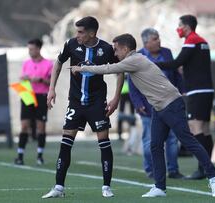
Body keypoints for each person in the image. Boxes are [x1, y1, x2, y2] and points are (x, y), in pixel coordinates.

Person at [71, 33, 215, 197]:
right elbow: (115, 69)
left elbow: (109, 69)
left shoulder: (134, 59)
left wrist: (82, 68)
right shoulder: (132, 61)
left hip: (171, 104)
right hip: (158, 108)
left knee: (187, 140)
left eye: (116, 50)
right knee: (155, 145)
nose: (114, 54)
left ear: (125, 48)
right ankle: (159, 187)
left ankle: (214, 177)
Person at [41, 16, 124, 198]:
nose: (76, 35)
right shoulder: (71, 44)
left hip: (97, 103)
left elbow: (120, 71)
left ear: (92, 33)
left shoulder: (105, 49)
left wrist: (116, 97)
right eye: (76, 31)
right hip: (76, 103)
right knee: (65, 144)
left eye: (80, 32)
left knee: (104, 142)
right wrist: (51, 89)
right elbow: (58, 63)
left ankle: (106, 187)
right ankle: (58, 188)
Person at [156, 14, 214, 180]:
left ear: (187, 27)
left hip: (197, 91)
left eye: (179, 25)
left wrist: (154, 64)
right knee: (205, 129)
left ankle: (203, 168)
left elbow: (176, 63)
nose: (178, 29)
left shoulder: (191, 40)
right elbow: (194, 64)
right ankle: (207, 166)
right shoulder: (203, 41)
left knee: (195, 128)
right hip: (207, 90)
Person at [129, 28, 185, 179]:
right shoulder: (138, 57)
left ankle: (173, 170)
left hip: (170, 104)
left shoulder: (167, 53)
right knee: (150, 140)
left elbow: (175, 74)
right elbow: (132, 85)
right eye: (155, 39)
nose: (159, 41)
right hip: (148, 107)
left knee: (172, 139)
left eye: (158, 38)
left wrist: (182, 90)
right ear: (146, 42)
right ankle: (151, 170)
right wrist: (137, 103)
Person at [14, 38, 53, 165]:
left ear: (38, 48)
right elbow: (22, 79)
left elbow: (51, 82)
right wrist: (24, 79)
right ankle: (20, 155)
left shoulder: (48, 64)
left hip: (41, 95)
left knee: (41, 126)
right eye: (28, 49)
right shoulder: (26, 63)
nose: (30, 51)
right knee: (24, 125)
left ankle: (40, 156)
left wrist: (41, 80)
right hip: (27, 93)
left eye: (32, 49)